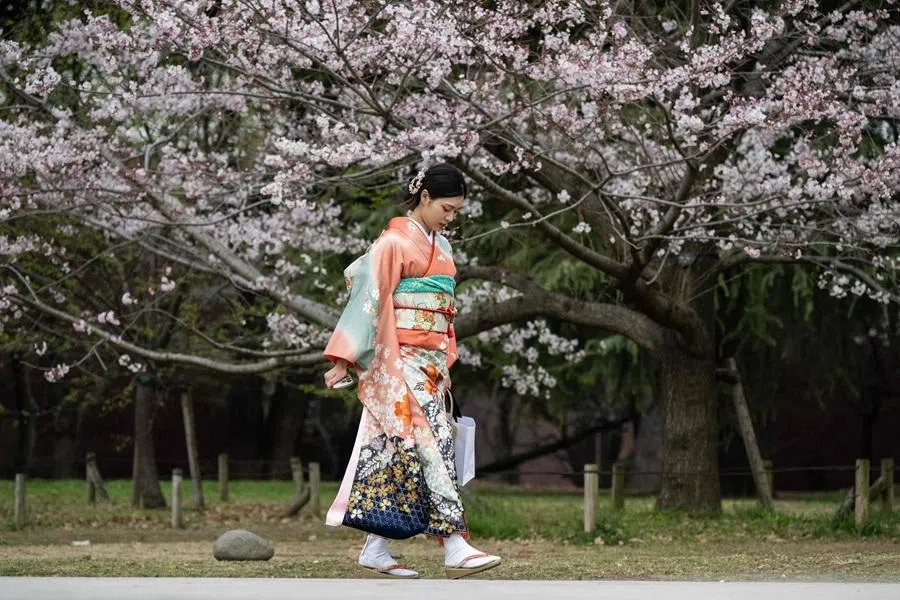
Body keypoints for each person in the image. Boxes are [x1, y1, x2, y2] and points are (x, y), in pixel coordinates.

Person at [322, 163, 502, 579]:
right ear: (424, 198)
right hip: (400, 361)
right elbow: (368, 299)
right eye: (446, 208)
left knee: (394, 451)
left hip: (430, 364)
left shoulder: (442, 247)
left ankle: (375, 547)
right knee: (433, 443)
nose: (450, 217)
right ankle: (454, 543)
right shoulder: (392, 243)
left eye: (456, 211)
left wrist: (442, 356)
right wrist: (345, 357)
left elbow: (445, 311)